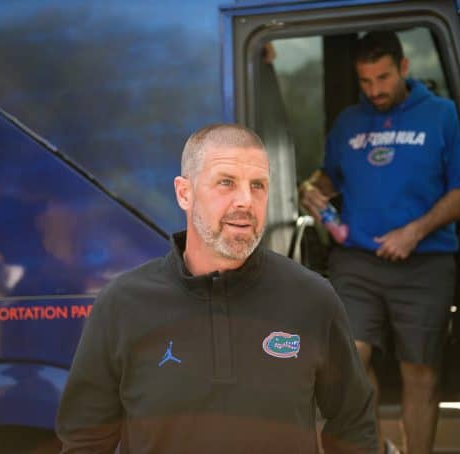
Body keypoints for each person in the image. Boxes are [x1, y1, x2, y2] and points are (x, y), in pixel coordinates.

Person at [56, 123, 377, 453]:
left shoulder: (313, 299)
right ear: (184, 193)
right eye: (226, 183)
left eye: (258, 186)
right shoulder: (121, 305)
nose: (245, 201)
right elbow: (86, 440)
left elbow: (353, 425)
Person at [299, 31, 460, 454]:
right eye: (366, 81)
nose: (375, 90)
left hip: (425, 261)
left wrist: (414, 231)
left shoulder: (442, 115)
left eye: (383, 78)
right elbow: (330, 176)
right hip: (356, 261)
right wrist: (311, 190)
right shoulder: (348, 122)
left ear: (403, 67)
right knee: (346, 366)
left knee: (420, 374)